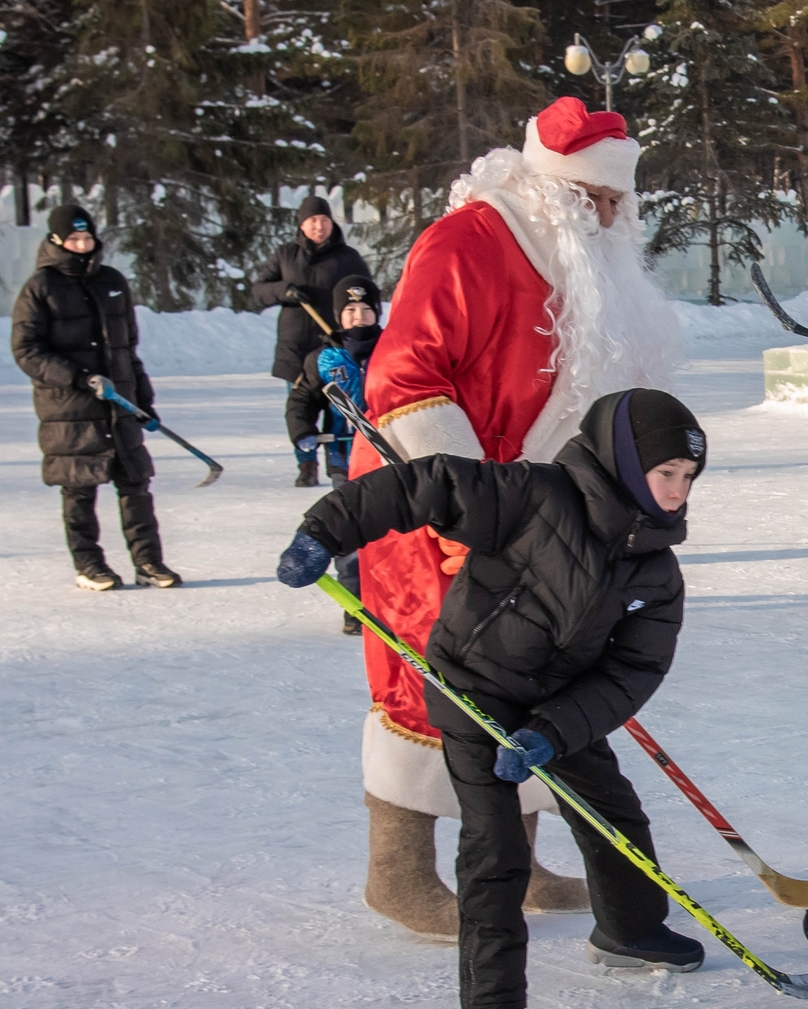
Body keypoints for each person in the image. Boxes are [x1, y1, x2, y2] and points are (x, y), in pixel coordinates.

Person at [276, 389, 708, 1009]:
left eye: (687, 478)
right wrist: (325, 530)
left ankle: (630, 929)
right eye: (666, 474)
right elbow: (425, 484)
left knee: (613, 815)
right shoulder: (532, 496)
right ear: (625, 463)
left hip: (556, 711)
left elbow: (634, 672)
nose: (678, 492)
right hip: (475, 694)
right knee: (496, 850)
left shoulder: (656, 568)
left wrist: (556, 731)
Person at [345, 96, 681, 940]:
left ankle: (521, 861)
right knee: (433, 679)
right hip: (437, 499)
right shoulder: (468, 244)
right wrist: (472, 514)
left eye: (618, 202)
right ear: (553, 187)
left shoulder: (591, 265)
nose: (609, 216)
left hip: (544, 515)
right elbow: (405, 382)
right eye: (593, 200)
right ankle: (400, 872)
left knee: (539, 668)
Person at [12, 205, 182, 591]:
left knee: (135, 483)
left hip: (118, 404)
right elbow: (26, 350)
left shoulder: (113, 281)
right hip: (69, 409)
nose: (82, 245)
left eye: (86, 238)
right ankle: (89, 565)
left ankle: (148, 562)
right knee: (79, 489)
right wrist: (77, 377)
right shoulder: (40, 288)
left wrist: (143, 401)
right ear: (56, 241)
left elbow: (127, 349)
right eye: (73, 239)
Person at [251, 194, 372, 485]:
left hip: (333, 346)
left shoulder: (347, 257)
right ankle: (306, 464)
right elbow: (257, 292)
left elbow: (366, 291)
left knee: (338, 405)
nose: (319, 226)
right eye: (312, 220)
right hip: (295, 348)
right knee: (301, 406)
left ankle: (338, 459)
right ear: (302, 225)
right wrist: (285, 290)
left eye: (324, 220)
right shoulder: (285, 255)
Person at [286, 274, 384, 634]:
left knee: (394, 533)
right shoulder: (324, 359)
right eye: (350, 310)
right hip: (346, 456)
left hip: (391, 455)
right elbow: (300, 401)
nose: (358, 317)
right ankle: (355, 606)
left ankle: (395, 602)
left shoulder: (395, 348)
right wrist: (303, 432)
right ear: (338, 316)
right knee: (350, 537)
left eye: (365, 309)